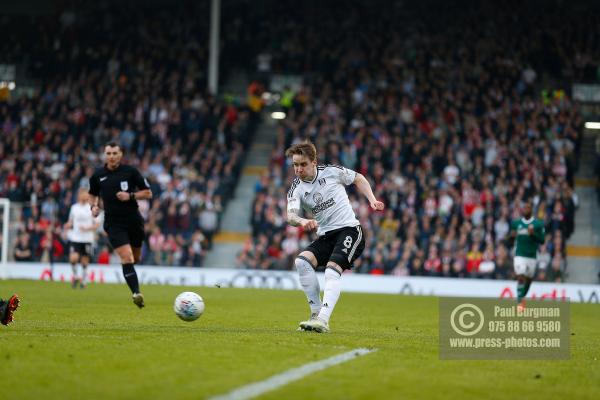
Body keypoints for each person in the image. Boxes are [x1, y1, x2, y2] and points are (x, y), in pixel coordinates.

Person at [285, 141, 384, 333]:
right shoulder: (296, 188)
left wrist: (372, 200)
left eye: (302, 164)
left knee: (331, 272)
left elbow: (359, 178)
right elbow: (290, 216)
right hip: (327, 235)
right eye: (295, 165)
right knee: (302, 262)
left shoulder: (331, 172)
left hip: (349, 230)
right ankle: (315, 314)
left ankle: (323, 320)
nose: (298, 169)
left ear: (314, 161)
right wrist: (302, 221)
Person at [88, 142, 152, 308]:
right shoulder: (97, 175)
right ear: (105, 155)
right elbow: (92, 194)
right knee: (126, 257)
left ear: (121, 154)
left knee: (135, 258)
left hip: (133, 220)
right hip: (113, 223)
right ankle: (136, 293)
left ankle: (132, 279)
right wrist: (93, 206)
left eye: (115, 153)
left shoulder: (130, 172)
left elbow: (148, 193)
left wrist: (130, 196)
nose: (111, 156)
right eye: (108, 153)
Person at [509, 200, 545, 310]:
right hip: (519, 254)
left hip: (532, 256)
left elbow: (542, 240)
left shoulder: (538, 224)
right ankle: (520, 303)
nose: (525, 210)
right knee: (520, 275)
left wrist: (533, 234)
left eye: (528, 208)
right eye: (524, 208)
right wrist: (511, 237)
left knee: (529, 279)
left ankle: (522, 297)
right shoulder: (516, 224)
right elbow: (510, 241)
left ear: (532, 210)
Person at [63, 188, 100, 289]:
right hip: (75, 238)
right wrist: (67, 226)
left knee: (84, 261)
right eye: (81, 194)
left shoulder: (91, 207)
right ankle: (75, 276)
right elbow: (71, 221)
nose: (83, 196)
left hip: (87, 239)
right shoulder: (74, 207)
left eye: (84, 194)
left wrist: (87, 228)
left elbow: (97, 224)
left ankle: (83, 281)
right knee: (73, 258)